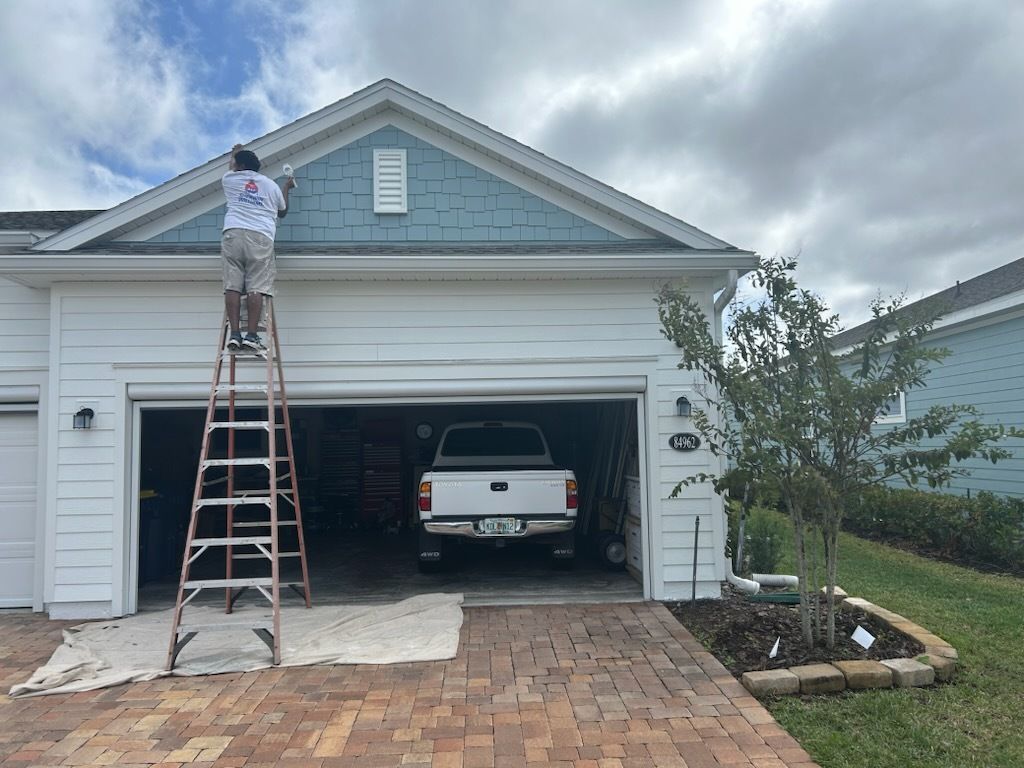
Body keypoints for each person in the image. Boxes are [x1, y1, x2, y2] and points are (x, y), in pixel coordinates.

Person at [220, 144, 296, 351]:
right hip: (261, 236)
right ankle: (251, 336)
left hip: (233, 233)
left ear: (240, 165)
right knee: (257, 286)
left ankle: (235, 334)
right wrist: (286, 188)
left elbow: (231, 165)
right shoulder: (270, 185)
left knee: (233, 285)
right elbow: (282, 212)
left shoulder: (230, 179)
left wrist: (234, 152)